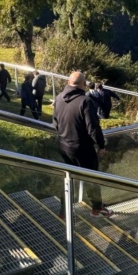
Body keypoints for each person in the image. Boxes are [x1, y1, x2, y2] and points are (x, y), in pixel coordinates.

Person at [53, 71, 112, 218]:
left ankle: (64, 211)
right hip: (82, 148)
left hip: (64, 146)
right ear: (84, 85)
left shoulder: (59, 98)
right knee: (91, 178)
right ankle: (97, 208)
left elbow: (55, 123)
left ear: (68, 83)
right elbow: (93, 128)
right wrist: (101, 145)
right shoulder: (85, 101)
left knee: (68, 178)